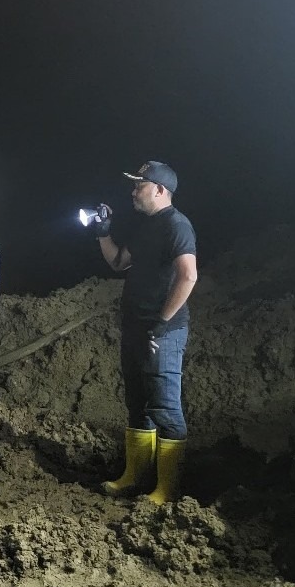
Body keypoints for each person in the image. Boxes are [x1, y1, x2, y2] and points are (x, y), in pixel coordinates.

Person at [91, 161, 198, 504]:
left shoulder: (177, 225)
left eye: (140, 185)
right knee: (138, 404)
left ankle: (167, 490)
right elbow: (118, 262)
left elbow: (188, 276)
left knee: (165, 408)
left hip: (162, 332)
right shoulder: (145, 226)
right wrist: (103, 232)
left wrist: (162, 322)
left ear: (160, 190)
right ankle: (134, 478)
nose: (134, 191)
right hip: (136, 328)